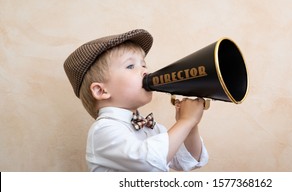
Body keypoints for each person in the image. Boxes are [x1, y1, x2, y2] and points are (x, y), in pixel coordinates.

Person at [63, 29, 208, 171]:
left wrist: (191, 125)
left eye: (143, 64)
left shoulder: (154, 128)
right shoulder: (104, 130)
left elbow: (188, 162)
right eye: (130, 66)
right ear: (101, 90)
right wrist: (186, 121)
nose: (145, 71)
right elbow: (149, 162)